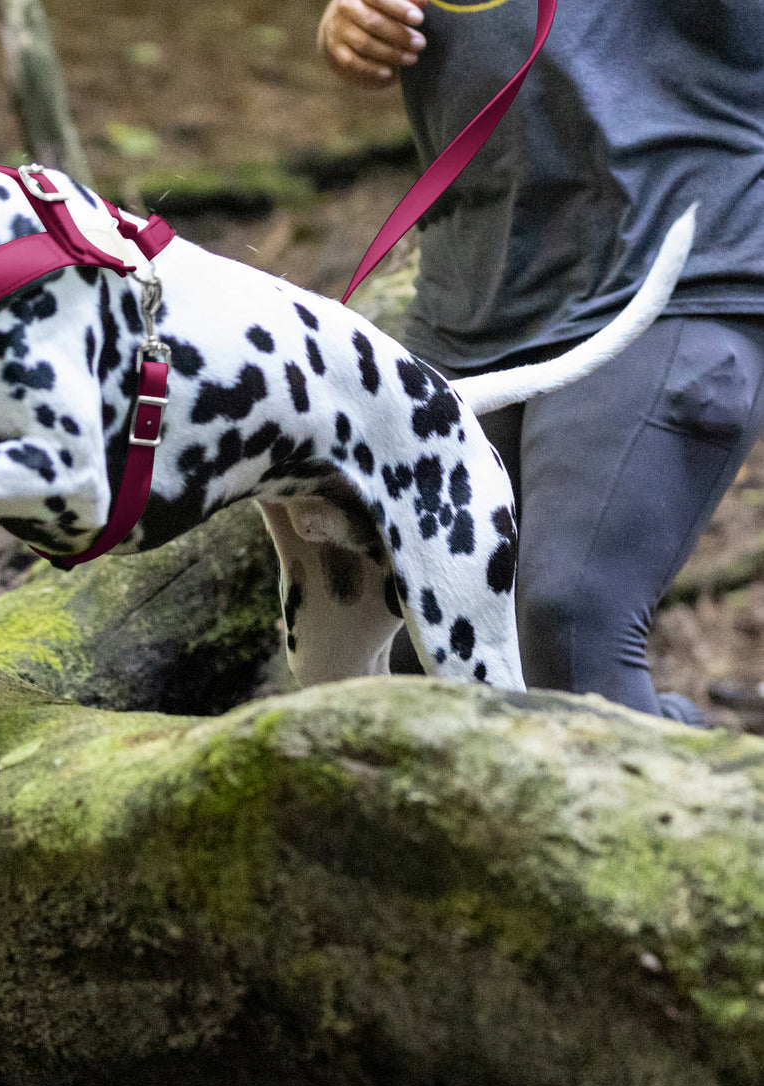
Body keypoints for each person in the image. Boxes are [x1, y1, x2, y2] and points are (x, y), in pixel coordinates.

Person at [316, 0, 764, 721]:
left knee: (569, 622)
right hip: (469, 293)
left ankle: (705, 812)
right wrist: (349, 24)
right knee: (414, 661)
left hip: (675, 268)